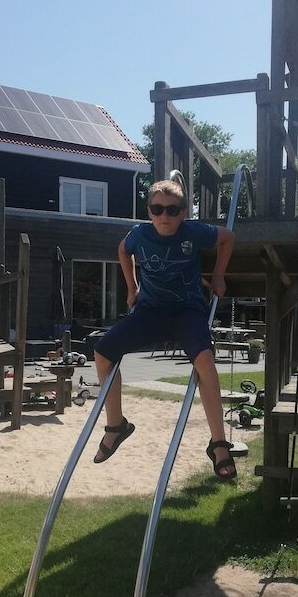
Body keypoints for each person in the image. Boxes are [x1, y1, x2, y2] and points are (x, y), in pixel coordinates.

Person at [91, 179, 238, 479]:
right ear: (149, 211)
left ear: (184, 212)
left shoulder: (194, 231)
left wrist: (219, 276)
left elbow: (228, 237)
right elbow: (122, 251)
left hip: (187, 310)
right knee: (102, 352)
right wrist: (131, 287)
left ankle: (219, 444)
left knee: (205, 361)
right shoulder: (139, 234)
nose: (164, 216)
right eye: (157, 209)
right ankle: (116, 425)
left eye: (172, 210)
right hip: (150, 312)